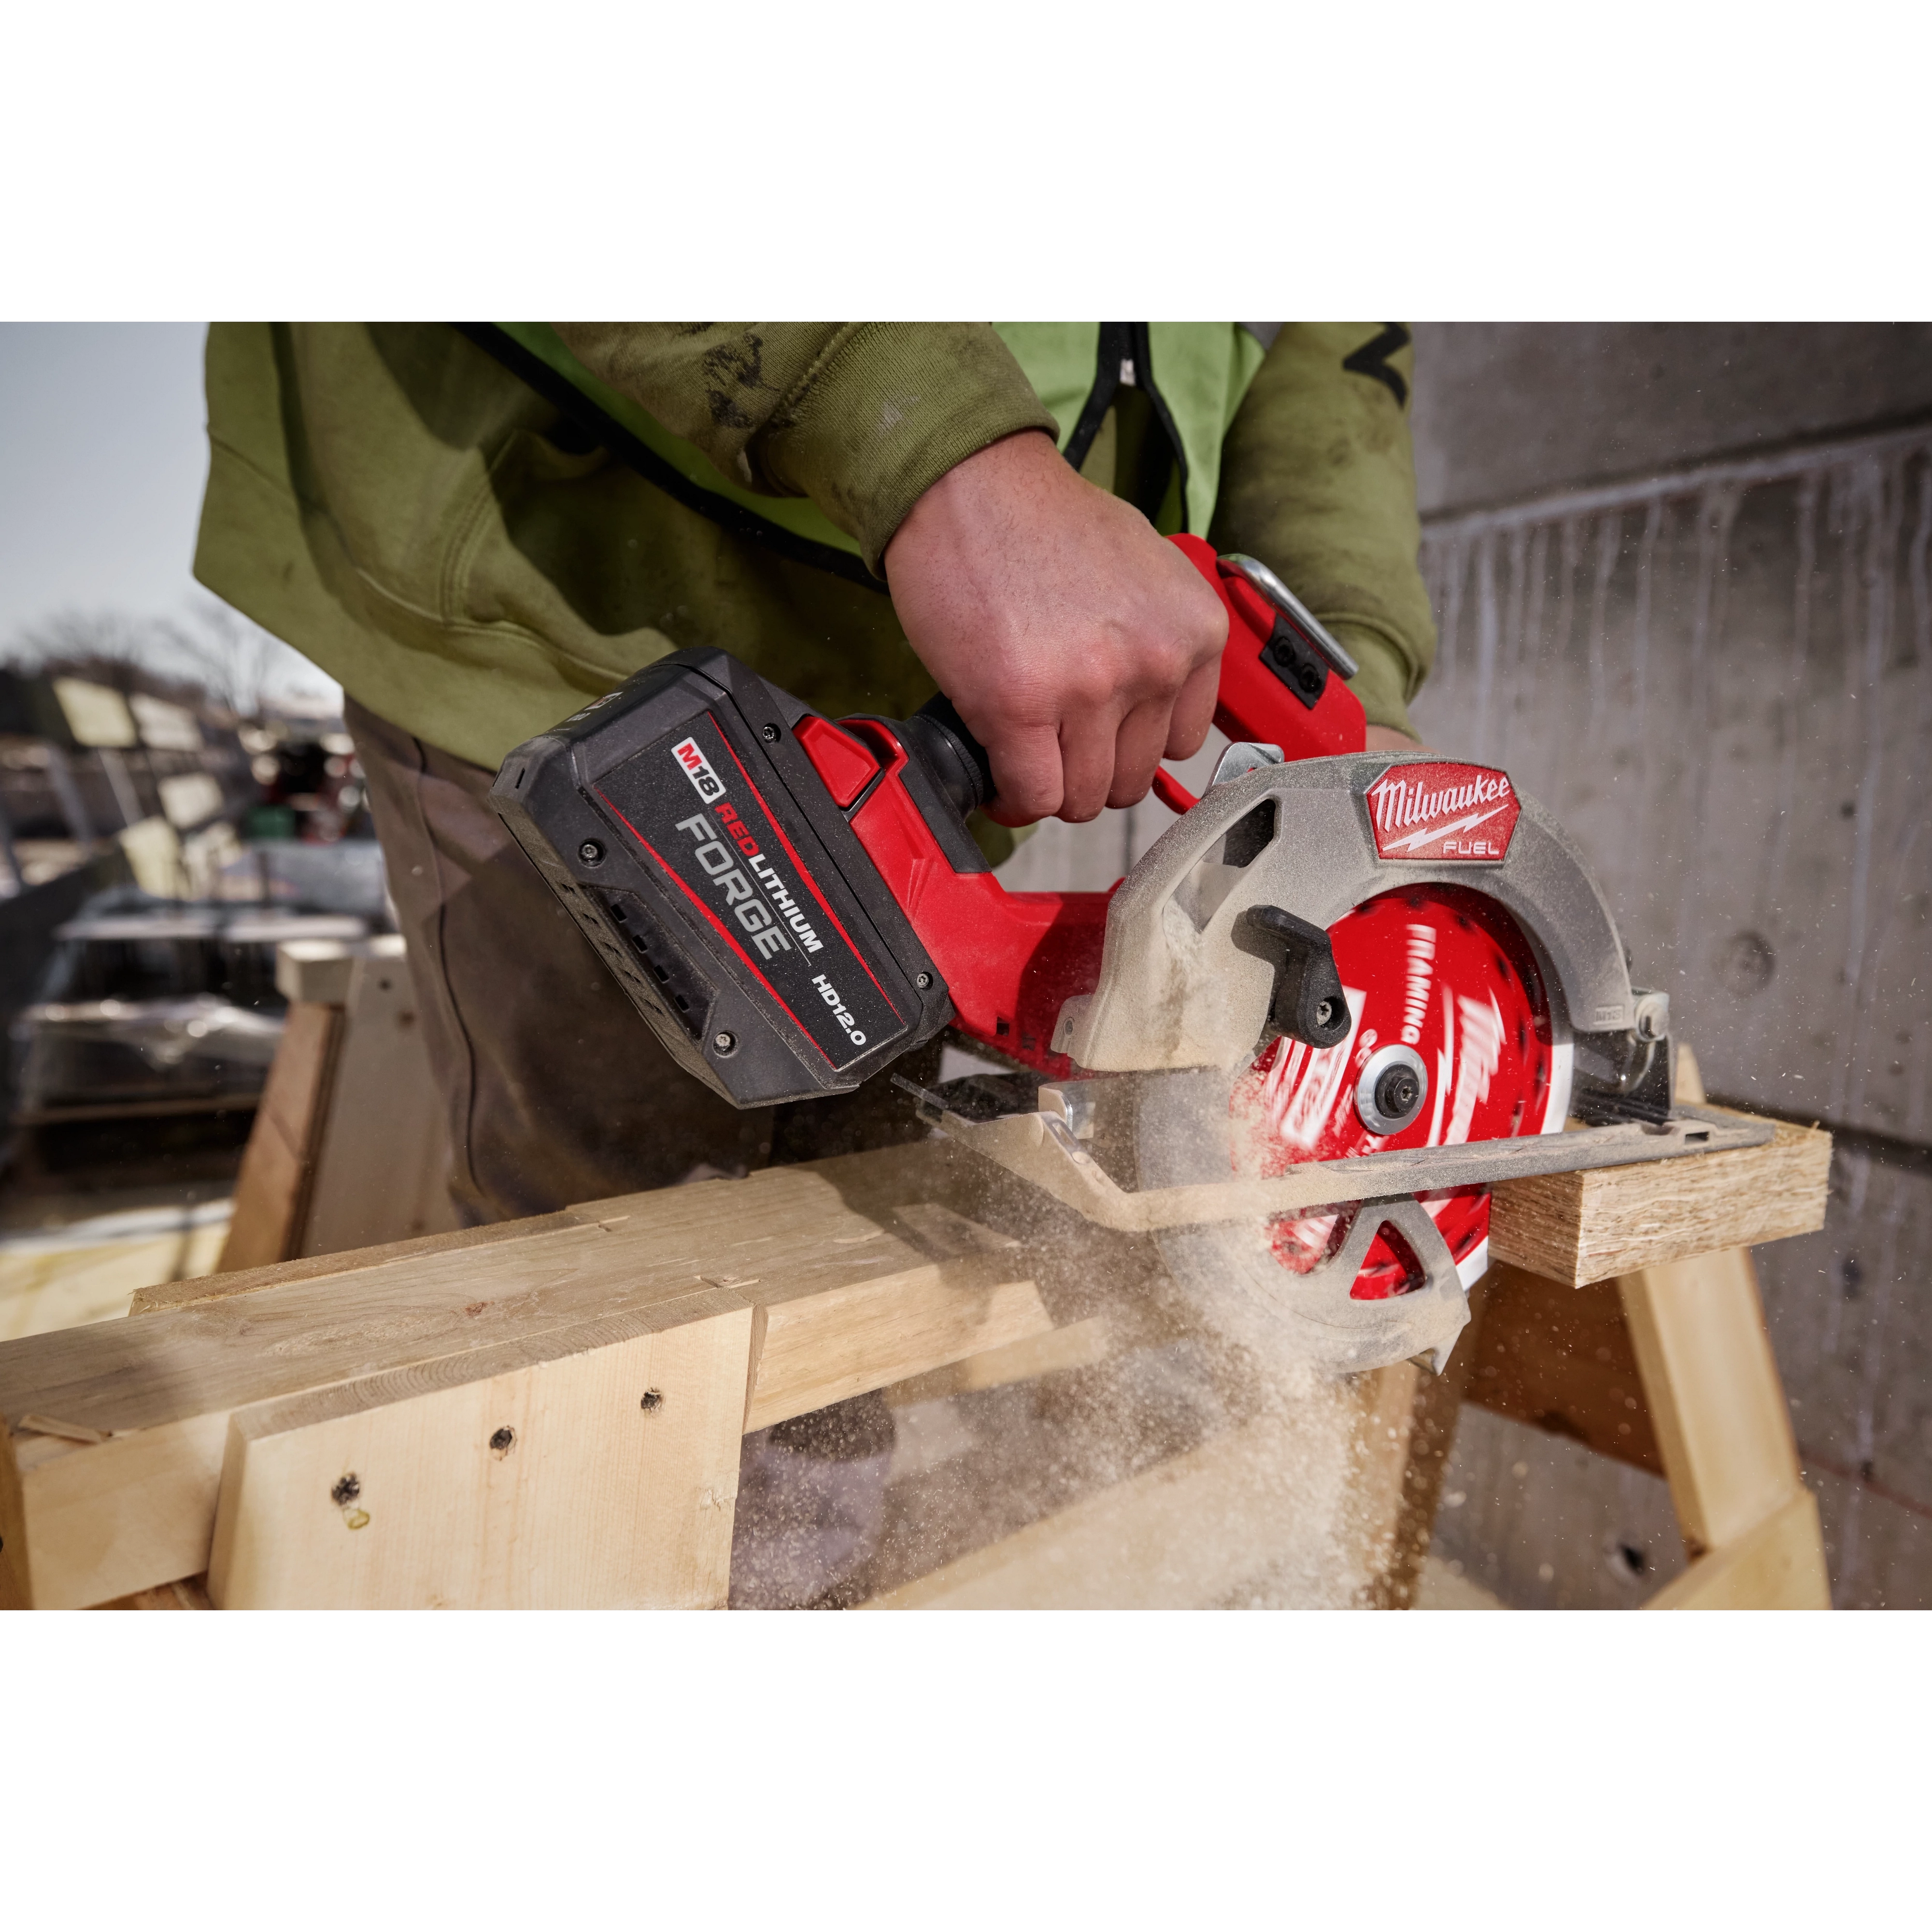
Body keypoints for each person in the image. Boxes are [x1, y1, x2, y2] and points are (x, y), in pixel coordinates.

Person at [194, 320, 1437, 1604]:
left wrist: (1356, 696)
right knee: (621, 1315)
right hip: (573, 576)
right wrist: (940, 448)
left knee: (832, 1310)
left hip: (947, 653)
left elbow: (1328, 356)